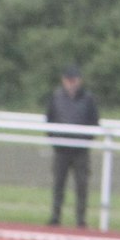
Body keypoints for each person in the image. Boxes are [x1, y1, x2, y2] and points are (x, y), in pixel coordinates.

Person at [45, 63, 101, 227]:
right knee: (58, 184)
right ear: (64, 81)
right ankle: (55, 217)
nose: (71, 83)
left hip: (80, 150)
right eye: (69, 80)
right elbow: (49, 120)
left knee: (82, 186)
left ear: (79, 81)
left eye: (74, 80)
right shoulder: (56, 97)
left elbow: (94, 121)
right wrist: (55, 140)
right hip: (61, 148)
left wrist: (86, 141)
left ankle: (80, 219)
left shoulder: (88, 99)